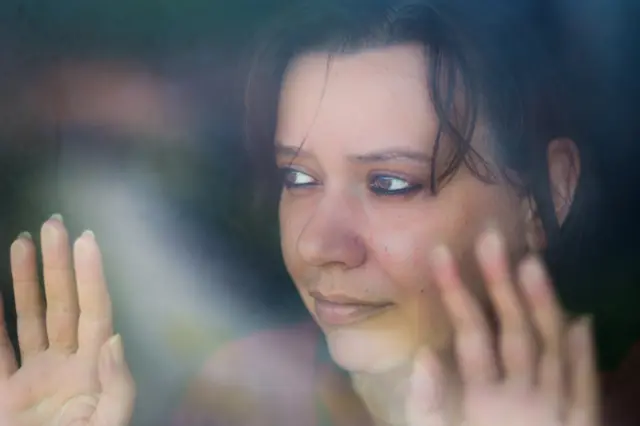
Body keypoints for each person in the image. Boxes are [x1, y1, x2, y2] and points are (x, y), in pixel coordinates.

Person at [0, 1, 638, 425]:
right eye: (297, 178)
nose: (319, 245)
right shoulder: (245, 399)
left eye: (390, 183)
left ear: (547, 193)